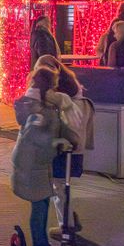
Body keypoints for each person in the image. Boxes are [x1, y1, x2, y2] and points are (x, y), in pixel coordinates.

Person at [11, 65, 84, 246]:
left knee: (41, 206)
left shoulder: (47, 104)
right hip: (31, 167)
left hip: (40, 165)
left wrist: (72, 139)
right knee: (40, 208)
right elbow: (34, 134)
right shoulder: (34, 106)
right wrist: (56, 143)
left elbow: (57, 126)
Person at [33, 55, 94, 228]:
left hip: (62, 146)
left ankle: (66, 225)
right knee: (62, 185)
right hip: (74, 146)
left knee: (58, 186)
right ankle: (68, 219)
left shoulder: (55, 97)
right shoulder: (74, 90)